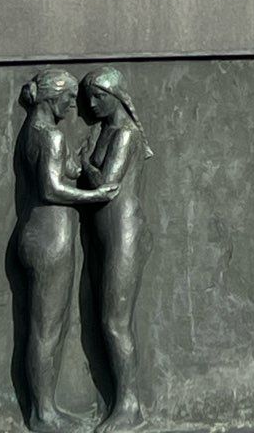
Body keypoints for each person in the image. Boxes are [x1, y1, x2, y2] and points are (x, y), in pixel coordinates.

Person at [15, 71, 119, 433]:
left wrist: (81, 161)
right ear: (50, 99)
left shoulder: (32, 132)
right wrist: (94, 196)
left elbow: (61, 170)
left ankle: (44, 409)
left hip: (39, 236)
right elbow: (51, 187)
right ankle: (43, 414)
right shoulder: (50, 135)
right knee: (48, 330)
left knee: (47, 328)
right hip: (50, 240)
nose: (74, 106)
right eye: (69, 99)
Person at [78, 69, 151, 432]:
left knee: (114, 322)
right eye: (87, 98)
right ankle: (123, 400)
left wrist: (84, 164)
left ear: (116, 96)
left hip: (124, 235)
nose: (90, 105)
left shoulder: (125, 135)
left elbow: (107, 185)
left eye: (97, 97)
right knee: (103, 318)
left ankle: (130, 405)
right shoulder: (104, 131)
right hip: (103, 236)